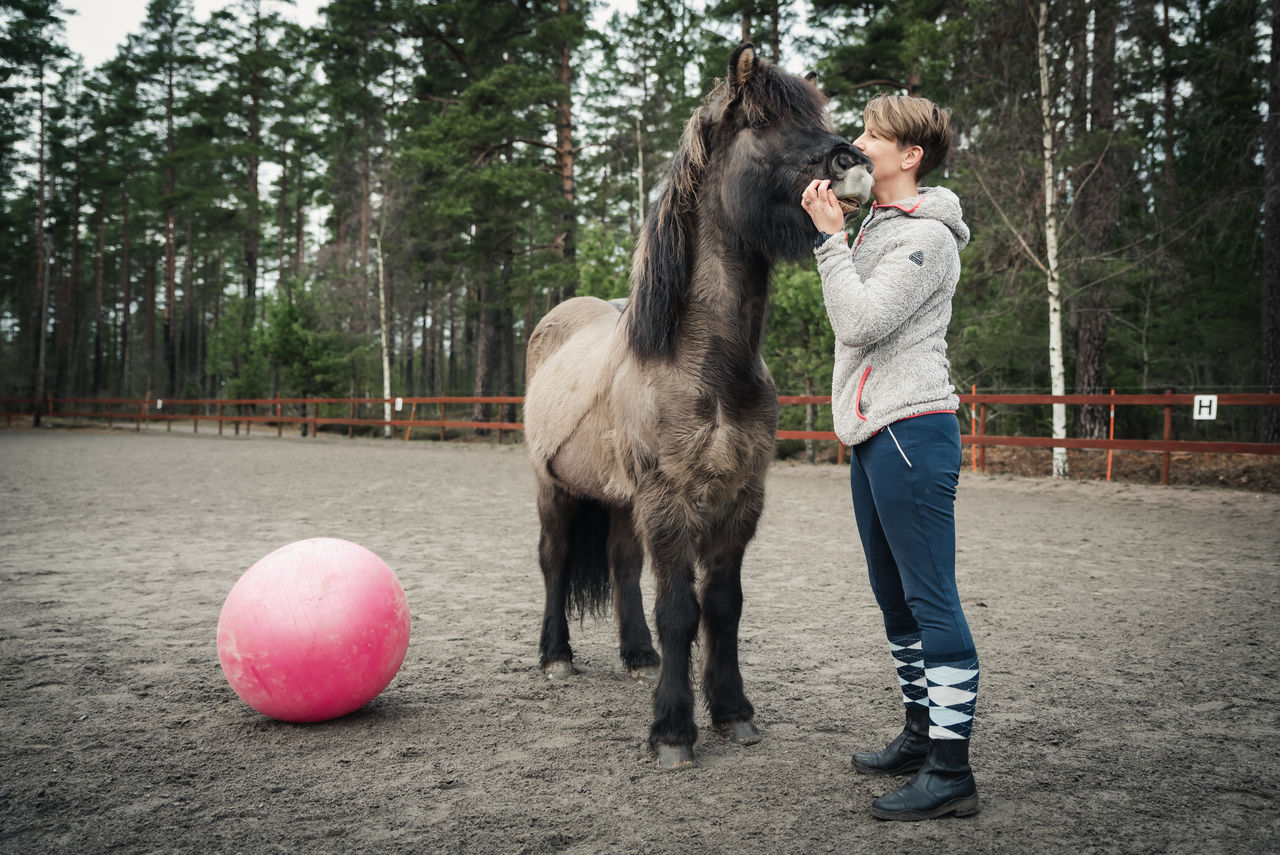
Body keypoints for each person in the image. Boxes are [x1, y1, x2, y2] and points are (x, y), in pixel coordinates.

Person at [800, 94, 979, 821]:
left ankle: (951, 772)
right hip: (873, 430)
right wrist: (834, 226)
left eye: (875, 135)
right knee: (893, 594)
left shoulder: (928, 238)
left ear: (910, 155)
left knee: (931, 596)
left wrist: (829, 243)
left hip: (913, 430)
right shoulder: (878, 222)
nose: (861, 141)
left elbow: (861, 321)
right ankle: (919, 732)